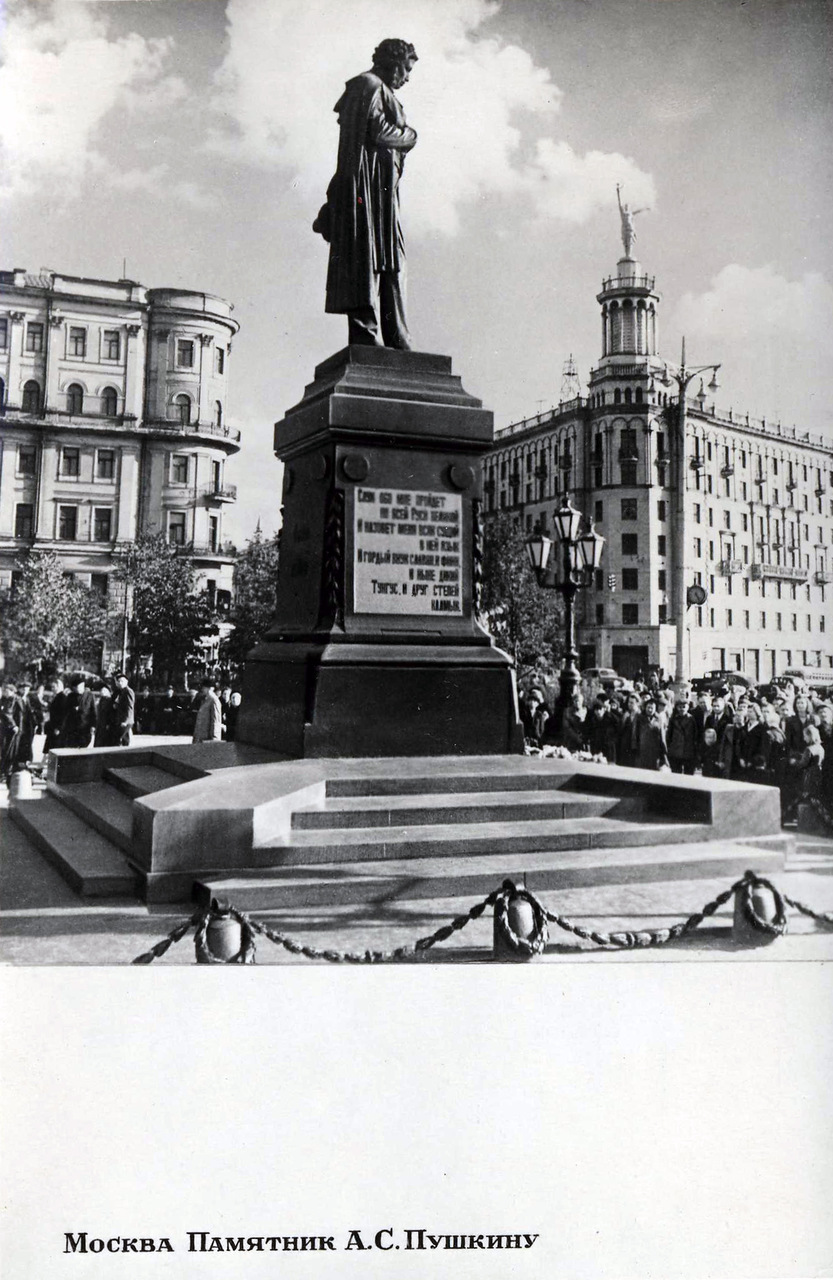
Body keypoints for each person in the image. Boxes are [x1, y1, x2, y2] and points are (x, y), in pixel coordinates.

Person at [313, 38, 418, 349]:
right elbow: (377, 131)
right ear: (392, 62)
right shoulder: (368, 84)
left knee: (391, 263)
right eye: (406, 69)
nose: (407, 77)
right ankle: (367, 336)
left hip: (383, 195)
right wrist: (410, 136)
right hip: (366, 193)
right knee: (366, 261)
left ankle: (397, 337)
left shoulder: (376, 88)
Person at [666, 690, 697, 775]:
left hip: (688, 751)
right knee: (676, 773)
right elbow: (669, 735)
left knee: (689, 774)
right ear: (676, 708)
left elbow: (695, 735)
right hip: (675, 751)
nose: (682, 709)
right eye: (680, 707)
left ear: (688, 707)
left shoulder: (692, 719)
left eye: (684, 707)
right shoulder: (673, 719)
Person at [60, 675, 97, 748]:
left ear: (83, 685)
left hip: (85, 727)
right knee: (72, 747)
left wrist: (93, 725)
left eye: (79, 687)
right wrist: (73, 709)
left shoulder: (90, 695)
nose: (78, 689)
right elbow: (65, 711)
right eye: (75, 688)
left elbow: (94, 712)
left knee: (83, 747)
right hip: (73, 728)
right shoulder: (70, 696)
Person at [0, 683, 23, 783]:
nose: (4, 692)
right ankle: (4, 771)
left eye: (6, 690)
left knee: (10, 751)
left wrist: (15, 726)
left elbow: (16, 714)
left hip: (13, 729)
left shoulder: (15, 699)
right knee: (5, 750)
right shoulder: (4, 699)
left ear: (12, 690)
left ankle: (7, 772)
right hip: (5, 728)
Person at [192, 679, 223, 743]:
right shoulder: (204, 700)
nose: (202, 690)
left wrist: (215, 738)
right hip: (200, 737)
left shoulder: (214, 700)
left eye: (203, 687)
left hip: (207, 738)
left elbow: (216, 720)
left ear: (209, 688)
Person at [43, 678, 67, 753]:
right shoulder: (57, 697)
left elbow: (64, 714)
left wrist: (59, 728)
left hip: (57, 728)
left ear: (59, 687)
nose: (52, 689)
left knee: (55, 747)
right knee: (51, 746)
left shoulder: (62, 698)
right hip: (53, 726)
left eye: (54, 687)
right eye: (52, 687)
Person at [111, 673, 135, 747]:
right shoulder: (119, 691)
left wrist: (125, 721)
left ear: (126, 682)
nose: (120, 683)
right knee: (124, 738)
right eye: (119, 681)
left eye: (122, 681)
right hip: (120, 718)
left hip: (125, 720)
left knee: (119, 738)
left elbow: (129, 707)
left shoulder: (128, 691)